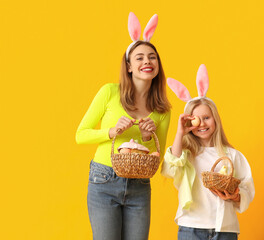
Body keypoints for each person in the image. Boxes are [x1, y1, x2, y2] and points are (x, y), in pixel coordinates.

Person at [76, 12, 171, 240]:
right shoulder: (109, 92)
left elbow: (158, 161)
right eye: (139, 58)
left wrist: (148, 139)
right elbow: (80, 135)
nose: (147, 61)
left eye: (152, 57)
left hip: (139, 186)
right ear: (128, 66)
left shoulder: (162, 109)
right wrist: (112, 132)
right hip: (103, 181)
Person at [161, 64, 255, 240]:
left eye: (206, 118)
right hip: (191, 227)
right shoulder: (186, 155)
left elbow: (247, 188)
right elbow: (169, 168)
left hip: (225, 228)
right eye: (197, 120)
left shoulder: (232, 156)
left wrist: (236, 196)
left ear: (215, 120)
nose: (202, 124)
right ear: (189, 123)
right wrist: (180, 133)